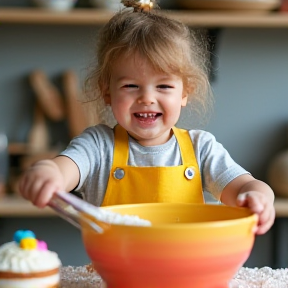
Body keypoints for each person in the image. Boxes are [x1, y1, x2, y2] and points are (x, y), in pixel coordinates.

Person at [18, 0, 275, 235]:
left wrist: (258, 197)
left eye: (163, 86)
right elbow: (65, 169)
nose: (147, 98)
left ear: (185, 92)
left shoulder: (201, 149)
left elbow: (244, 186)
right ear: (107, 92)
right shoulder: (97, 146)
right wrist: (49, 171)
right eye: (131, 86)